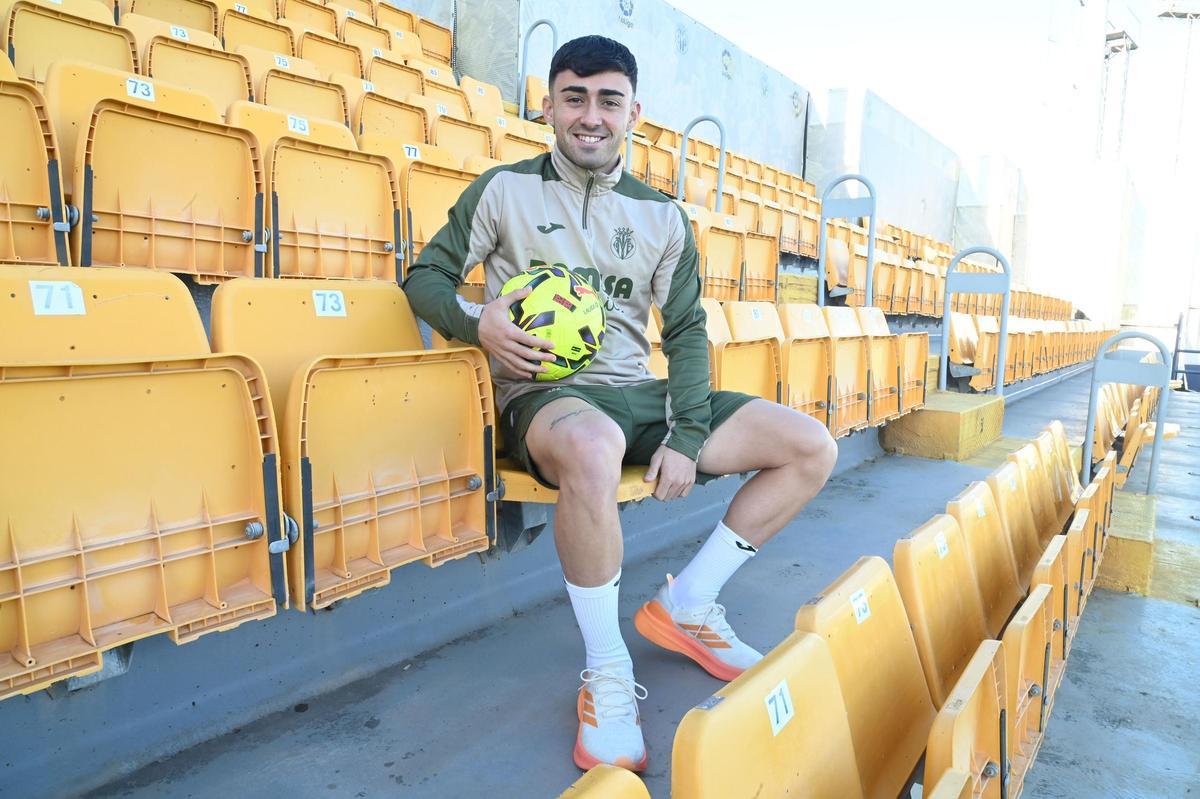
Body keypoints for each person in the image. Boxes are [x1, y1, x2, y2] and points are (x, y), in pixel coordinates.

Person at [403, 35, 837, 772]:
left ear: (635, 111)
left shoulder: (663, 215)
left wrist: (689, 434)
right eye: (574, 96)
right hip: (546, 398)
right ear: (547, 105)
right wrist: (479, 323)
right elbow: (425, 277)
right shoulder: (503, 191)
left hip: (640, 393)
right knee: (596, 445)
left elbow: (691, 331)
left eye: (608, 100)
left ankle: (688, 604)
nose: (591, 115)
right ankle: (606, 668)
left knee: (809, 445)